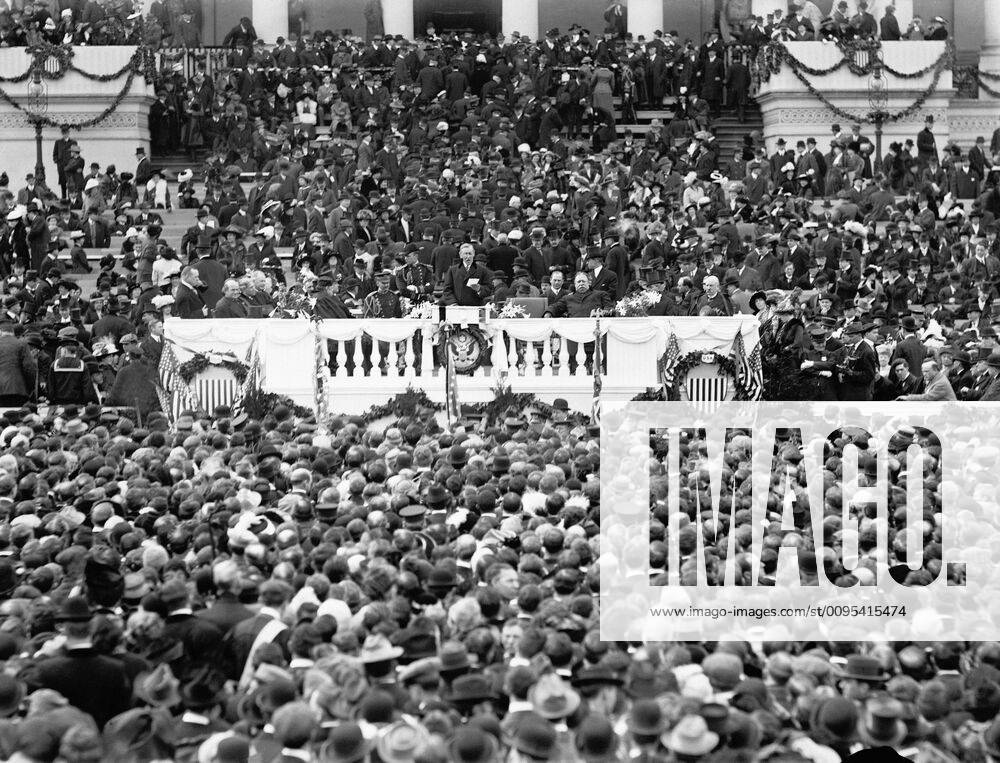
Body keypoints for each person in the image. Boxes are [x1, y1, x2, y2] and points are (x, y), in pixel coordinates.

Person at [0, 321, 37, 405]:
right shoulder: (21, 344)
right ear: (12, 332)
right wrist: (29, 388)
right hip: (18, 390)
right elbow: (29, 368)